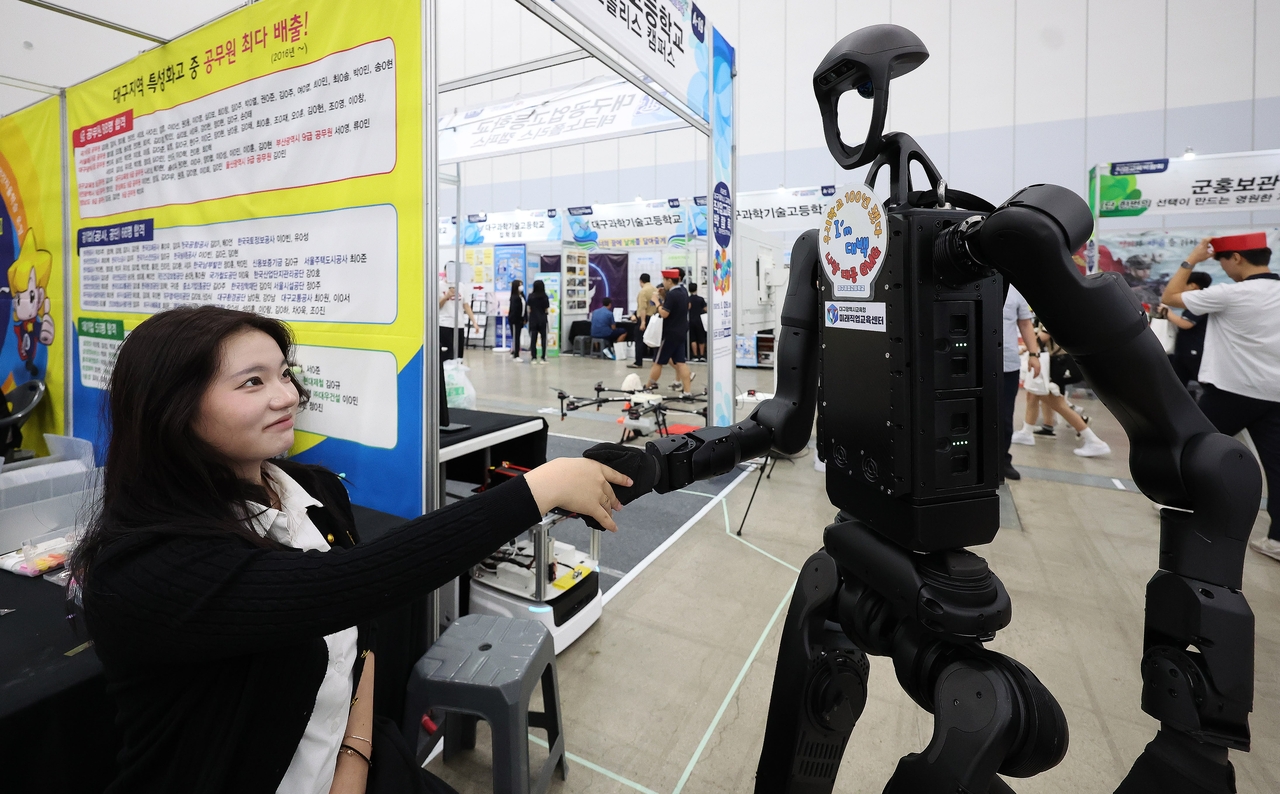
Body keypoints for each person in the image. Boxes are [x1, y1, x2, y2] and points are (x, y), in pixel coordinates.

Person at [68, 306, 631, 794]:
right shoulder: (143, 569)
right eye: (252, 383)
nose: (286, 396)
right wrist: (537, 490)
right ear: (173, 410)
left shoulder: (314, 490)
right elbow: (353, 582)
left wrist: (355, 758)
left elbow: (359, 628)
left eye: (284, 375)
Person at [1162, 232, 1280, 562]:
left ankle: (1179, 504)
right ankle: (1278, 538)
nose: (1224, 268)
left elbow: (1171, 296)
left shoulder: (1233, 294)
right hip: (1276, 394)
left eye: (1222, 260)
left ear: (1237, 258)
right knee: (1277, 466)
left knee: (1191, 448)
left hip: (1233, 390)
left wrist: (1192, 259)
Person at [1011, 322, 1111, 457]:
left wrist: (1029, 349)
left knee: (1056, 402)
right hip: (1053, 362)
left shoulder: (1051, 315)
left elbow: (1043, 338)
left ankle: (1093, 440)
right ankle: (1028, 432)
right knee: (1033, 395)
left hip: (1055, 364)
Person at [1001, 285, 1040, 481]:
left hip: (1007, 364)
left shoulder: (1015, 289)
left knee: (1005, 417)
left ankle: (1002, 461)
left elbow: (1025, 324)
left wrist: (1034, 354)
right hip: (974, 364)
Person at [1157, 271, 1212, 390]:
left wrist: (1167, 313)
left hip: (1194, 353)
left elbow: (1186, 324)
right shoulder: (1196, 303)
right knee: (1175, 384)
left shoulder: (1199, 303)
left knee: (1204, 384)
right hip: (1183, 351)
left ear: (1193, 286)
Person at [648, 268, 693, 396]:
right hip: (681, 331)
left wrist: (657, 302)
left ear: (669, 280)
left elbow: (664, 313)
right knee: (681, 362)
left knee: (658, 362)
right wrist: (664, 296)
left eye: (664, 280)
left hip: (670, 333)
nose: (663, 283)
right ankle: (687, 391)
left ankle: (647, 387)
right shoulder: (683, 291)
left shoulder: (673, 295)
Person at [438, 278, 481, 361]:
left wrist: (474, 322)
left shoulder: (461, 286)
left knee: (459, 355)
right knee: (447, 354)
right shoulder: (439, 286)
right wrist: (446, 296)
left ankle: (457, 372)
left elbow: (466, 305)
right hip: (444, 324)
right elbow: (437, 306)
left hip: (459, 324)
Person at [627, 273, 657, 369]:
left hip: (645, 318)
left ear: (641, 281)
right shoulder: (655, 290)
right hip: (654, 318)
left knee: (639, 340)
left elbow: (643, 308)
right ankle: (656, 361)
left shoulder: (643, 292)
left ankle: (638, 362)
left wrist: (643, 322)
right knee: (655, 340)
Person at [526, 279, 551, 365]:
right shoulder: (545, 296)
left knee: (533, 339)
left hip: (533, 319)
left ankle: (534, 357)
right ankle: (543, 357)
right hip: (543, 320)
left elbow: (529, 309)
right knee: (544, 339)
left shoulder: (530, 296)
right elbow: (546, 309)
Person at [687, 282, 707, 361]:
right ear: (696, 289)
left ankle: (695, 356)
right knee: (701, 338)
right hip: (700, 321)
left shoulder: (688, 299)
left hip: (691, 320)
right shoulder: (700, 299)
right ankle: (702, 355)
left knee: (693, 339)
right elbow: (706, 309)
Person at [508, 280, 525, 363]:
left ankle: (514, 351)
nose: (521, 287)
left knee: (517, 336)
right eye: (520, 285)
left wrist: (524, 318)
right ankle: (516, 355)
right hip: (515, 320)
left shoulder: (522, 296)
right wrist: (516, 320)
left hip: (520, 320)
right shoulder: (514, 297)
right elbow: (514, 311)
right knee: (516, 337)